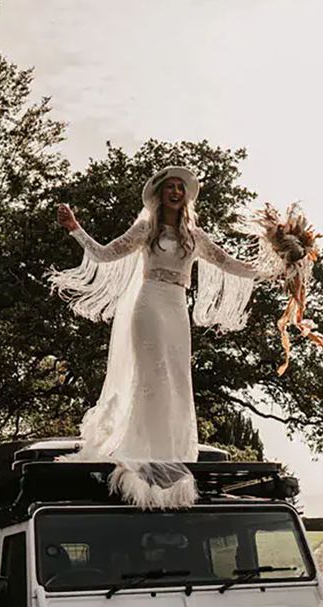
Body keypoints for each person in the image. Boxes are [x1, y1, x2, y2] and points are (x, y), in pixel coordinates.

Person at [52, 165, 274, 508]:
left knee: (176, 380)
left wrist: (278, 263)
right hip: (149, 302)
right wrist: (76, 230)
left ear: (185, 196)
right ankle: (142, 453)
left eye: (180, 188)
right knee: (152, 376)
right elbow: (106, 253)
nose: (175, 192)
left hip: (175, 307)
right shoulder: (146, 229)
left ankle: (170, 455)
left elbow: (233, 264)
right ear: (159, 195)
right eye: (169, 187)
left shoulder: (194, 236)